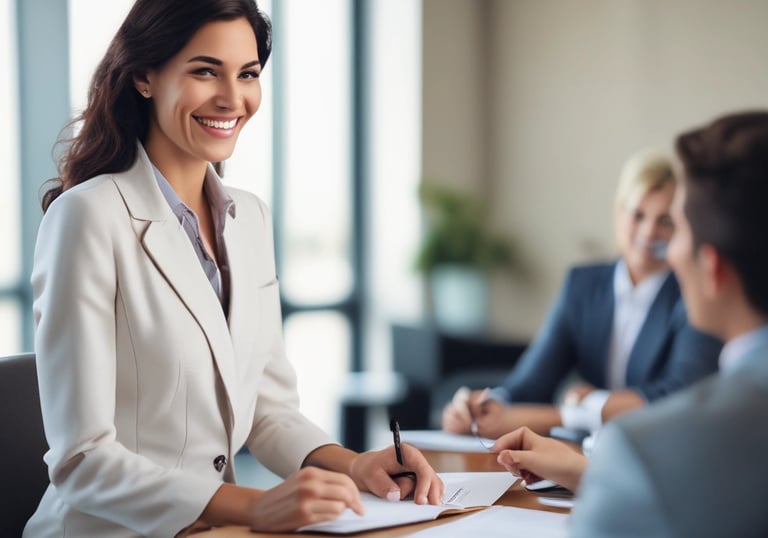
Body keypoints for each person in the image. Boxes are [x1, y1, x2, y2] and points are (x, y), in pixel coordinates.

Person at [24, 1, 443, 536]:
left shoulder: (249, 218)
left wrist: (354, 464)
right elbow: (81, 460)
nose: (232, 97)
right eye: (205, 70)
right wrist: (251, 505)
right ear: (145, 77)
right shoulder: (86, 217)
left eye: (247, 74)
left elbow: (268, 410)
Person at [493, 111, 768, 536]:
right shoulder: (584, 283)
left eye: (676, 230)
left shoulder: (643, 452)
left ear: (711, 268)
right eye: (638, 214)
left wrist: (592, 440)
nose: (663, 245)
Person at [443, 150, 722, 439]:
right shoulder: (582, 285)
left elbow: (679, 395)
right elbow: (532, 381)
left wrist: (585, 405)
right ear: (618, 213)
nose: (649, 231)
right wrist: (486, 408)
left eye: (665, 221)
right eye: (638, 215)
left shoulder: (693, 294)